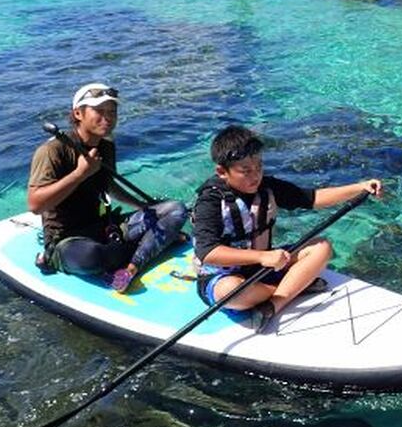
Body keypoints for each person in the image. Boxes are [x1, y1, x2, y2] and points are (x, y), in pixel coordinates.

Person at [191, 125, 383, 332]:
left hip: (264, 268)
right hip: (223, 278)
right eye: (245, 171)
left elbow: (313, 198)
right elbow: (208, 252)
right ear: (222, 172)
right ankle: (294, 287)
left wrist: (359, 187)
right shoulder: (210, 202)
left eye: (259, 167)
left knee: (321, 247)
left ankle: (273, 305)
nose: (255, 176)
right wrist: (262, 257)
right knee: (231, 292)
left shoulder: (267, 187)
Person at [27, 84, 188, 292]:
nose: (108, 118)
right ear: (78, 114)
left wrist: (141, 205)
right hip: (68, 239)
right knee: (91, 257)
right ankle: (156, 243)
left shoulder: (106, 145)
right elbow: (35, 205)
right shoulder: (52, 150)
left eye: (112, 112)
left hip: (106, 226)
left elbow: (108, 184)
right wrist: (79, 174)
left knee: (176, 209)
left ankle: (132, 267)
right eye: (99, 111)